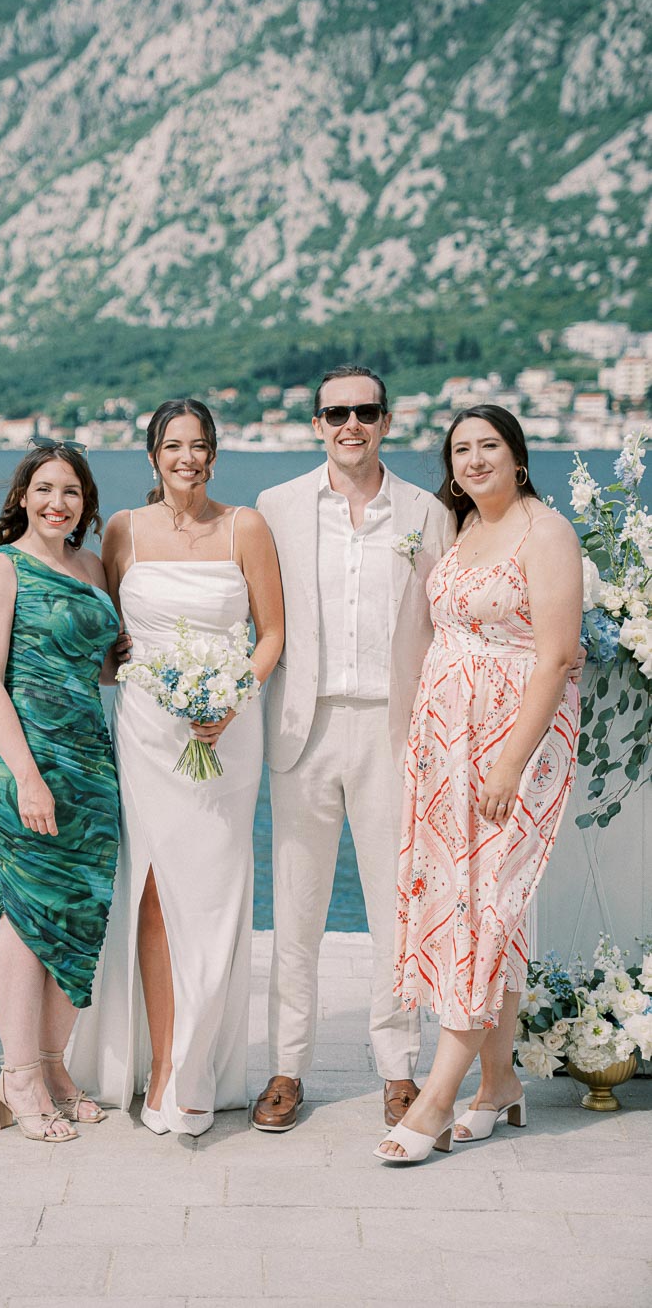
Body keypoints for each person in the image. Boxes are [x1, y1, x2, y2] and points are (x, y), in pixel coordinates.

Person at [68, 398, 284, 1135]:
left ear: (214, 454)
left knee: (216, 896)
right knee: (155, 894)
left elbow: (271, 631)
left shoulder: (245, 525)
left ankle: (201, 1067)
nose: (186, 458)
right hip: (147, 729)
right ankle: (162, 1068)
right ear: (152, 456)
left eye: (198, 446)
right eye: (172, 445)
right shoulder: (123, 529)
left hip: (228, 730)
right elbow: (110, 638)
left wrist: (230, 702)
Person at [252, 365, 456, 1133]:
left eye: (365, 411)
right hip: (302, 728)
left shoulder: (426, 513)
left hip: (393, 730)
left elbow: (445, 623)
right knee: (295, 909)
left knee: (394, 911)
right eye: (336, 412)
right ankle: (287, 1067)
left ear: (387, 420)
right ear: (316, 423)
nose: (351, 424)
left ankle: (398, 1070)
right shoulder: (276, 508)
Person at [376, 405, 582, 1162]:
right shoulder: (460, 532)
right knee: (476, 906)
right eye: (460, 449)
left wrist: (507, 764)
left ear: (518, 455)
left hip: (510, 745)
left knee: (485, 908)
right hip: (446, 743)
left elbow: (558, 657)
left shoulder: (546, 532)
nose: (473, 459)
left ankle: (435, 1100)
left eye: (487, 445)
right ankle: (500, 1086)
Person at [0, 442, 121, 1142]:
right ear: (24, 497)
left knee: (82, 918)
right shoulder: (2, 568)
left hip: (91, 764)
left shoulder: (91, 568)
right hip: (25, 764)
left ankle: (54, 1066)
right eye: (45, 488)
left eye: (72, 492)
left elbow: (100, 670)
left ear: (86, 504)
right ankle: (18, 1076)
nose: (58, 502)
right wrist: (29, 776)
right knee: (28, 921)